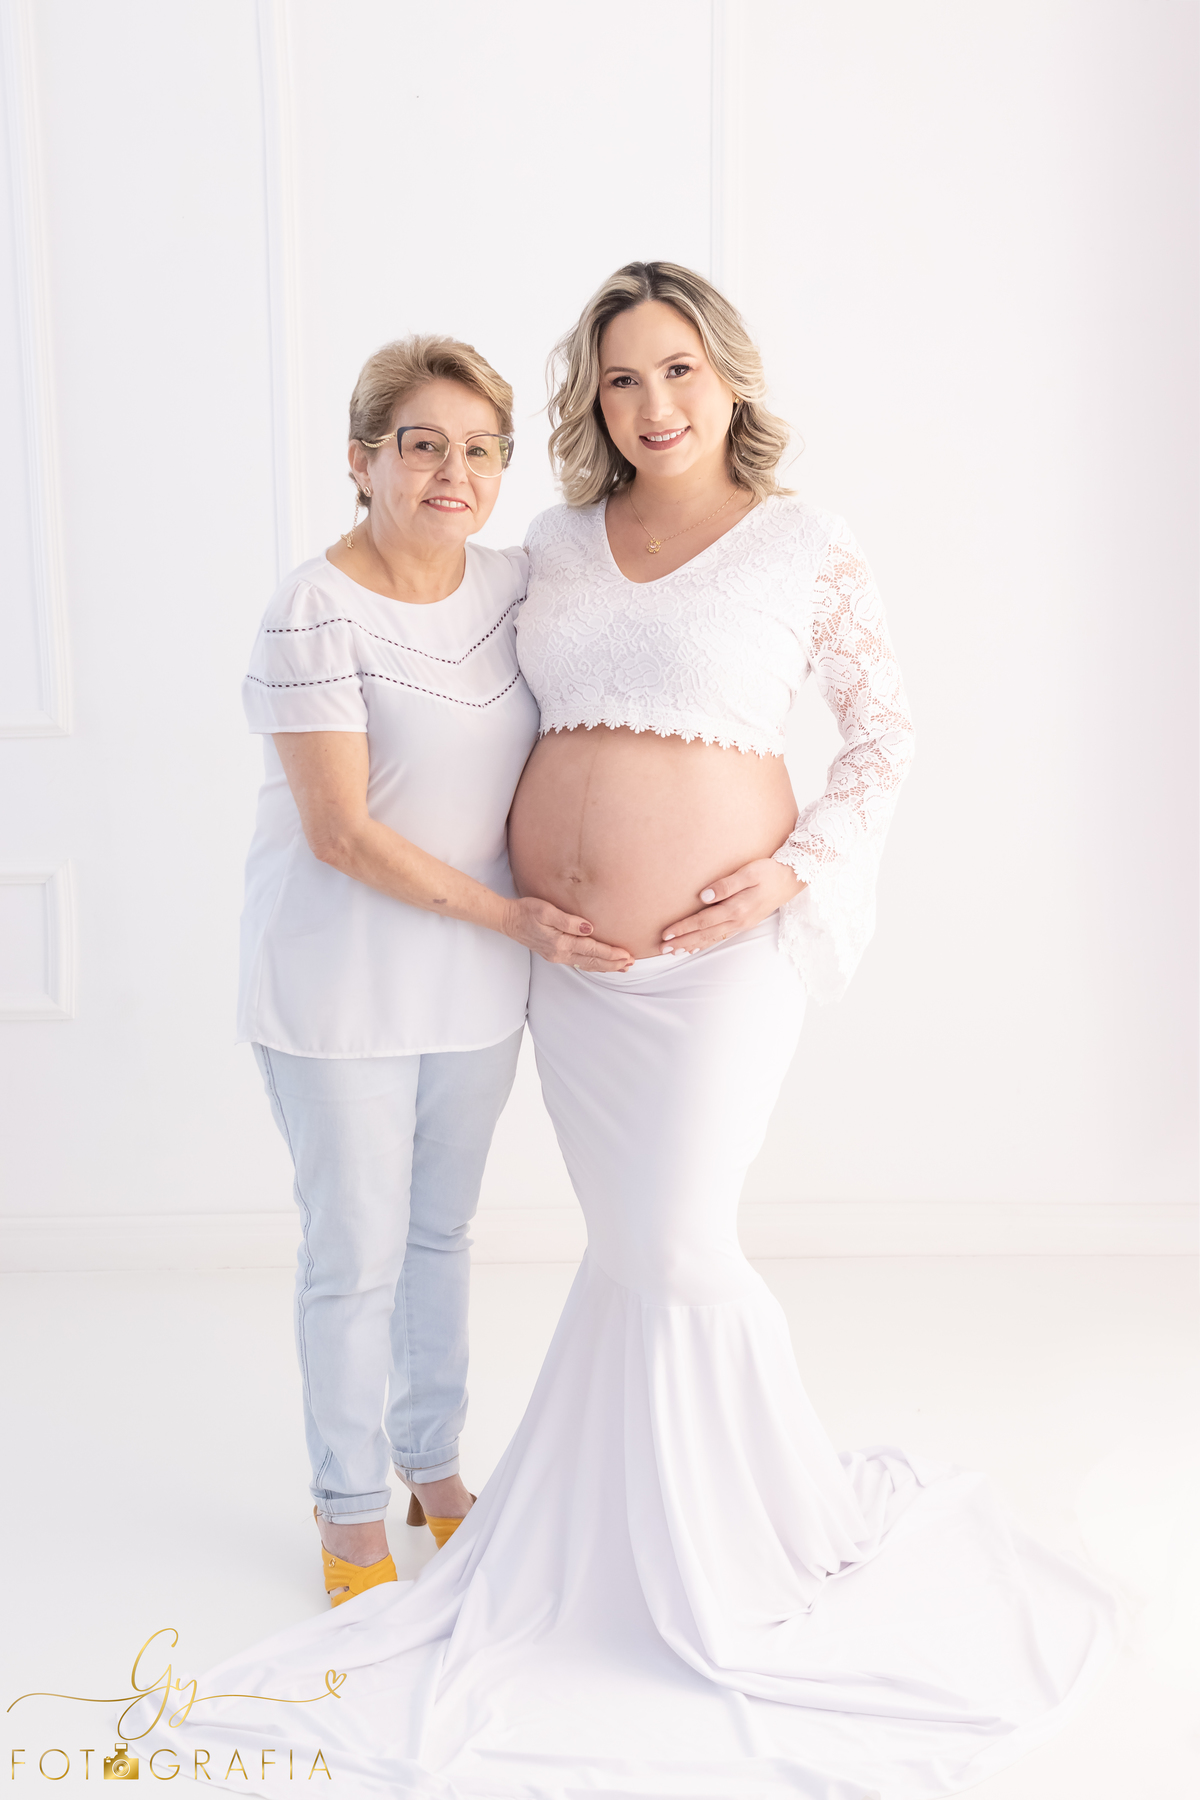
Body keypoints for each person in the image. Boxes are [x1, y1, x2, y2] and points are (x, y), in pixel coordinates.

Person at [159, 271, 1118, 1795]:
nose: (655, 404)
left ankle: (759, 1530)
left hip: (716, 962)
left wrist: (796, 870)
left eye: (679, 370)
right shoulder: (546, 545)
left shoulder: (807, 541)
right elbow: (425, 691)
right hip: (571, 971)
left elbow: (889, 732)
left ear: (731, 378)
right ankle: (577, 1524)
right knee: (622, 1251)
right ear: (591, 405)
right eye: (620, 382)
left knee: (676, 1248)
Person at [237, 334, 632, 1607]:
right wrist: (512, 917)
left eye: (479, 450)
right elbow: (341, 833)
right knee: (352, 1250)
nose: (453, 471)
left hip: (474, 987)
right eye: (423, 445)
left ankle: (432, 1462)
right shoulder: (316, 604)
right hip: (339, 981)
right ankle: (348, 1503)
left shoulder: (519, 584)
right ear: (364, 461)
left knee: (442, 1236)